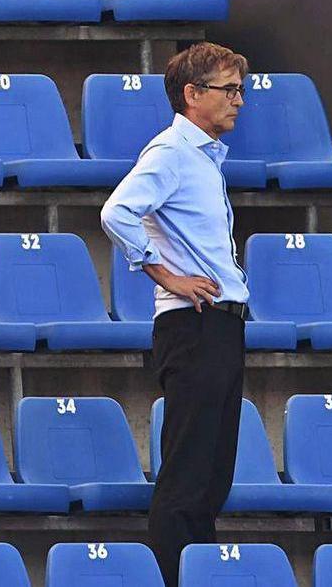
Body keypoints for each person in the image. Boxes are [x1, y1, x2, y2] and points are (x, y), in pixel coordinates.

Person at [100, 42, 250, 586]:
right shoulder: (171, 152)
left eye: (239, 89)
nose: (238, 101)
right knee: (188, 477)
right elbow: (117, 211)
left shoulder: (205, 157)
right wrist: (164, 273)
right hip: (194, 325)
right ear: (192, 95)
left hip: (221, 323)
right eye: (227, 90)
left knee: (212, 477)